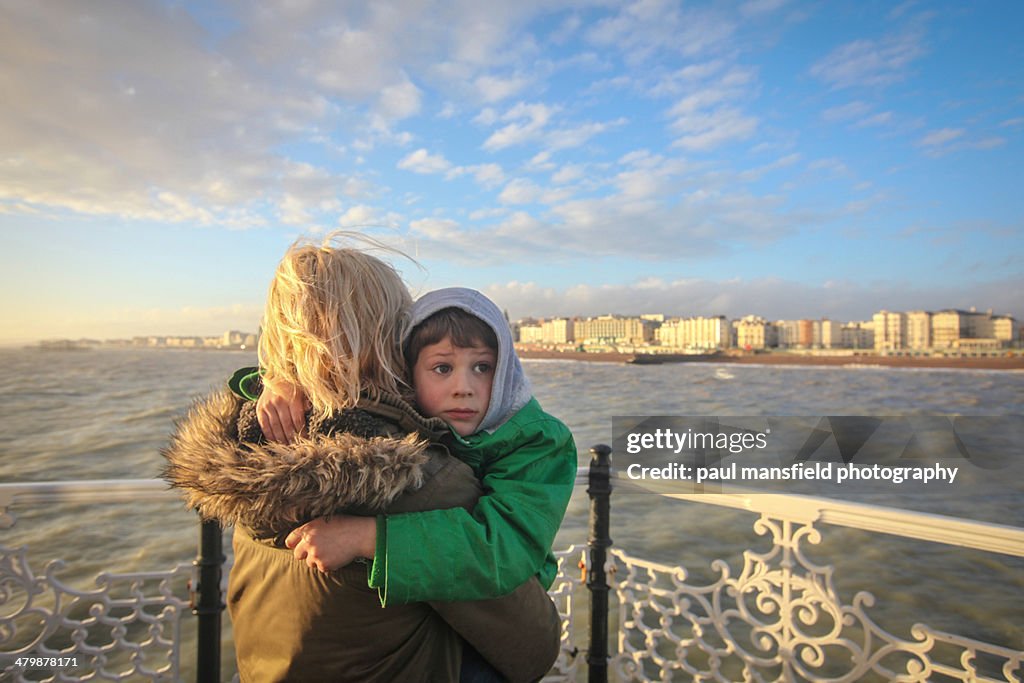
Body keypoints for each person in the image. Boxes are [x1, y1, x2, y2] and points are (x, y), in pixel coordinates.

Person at [162, 237, 560, 683]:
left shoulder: (250, 443)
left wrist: (278, 380)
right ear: (388, 342)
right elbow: (533, 647)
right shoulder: (415, 479)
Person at [255, 287, 578, 610]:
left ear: (507, 370)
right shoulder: (415, 417)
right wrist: (281, 383)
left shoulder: (539, 442)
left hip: (504, 613)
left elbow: (506, 548)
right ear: (408, 373)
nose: (463, 388)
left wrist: (366, 538)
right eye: (442, 369)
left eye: (483, 367)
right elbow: (346, 385)